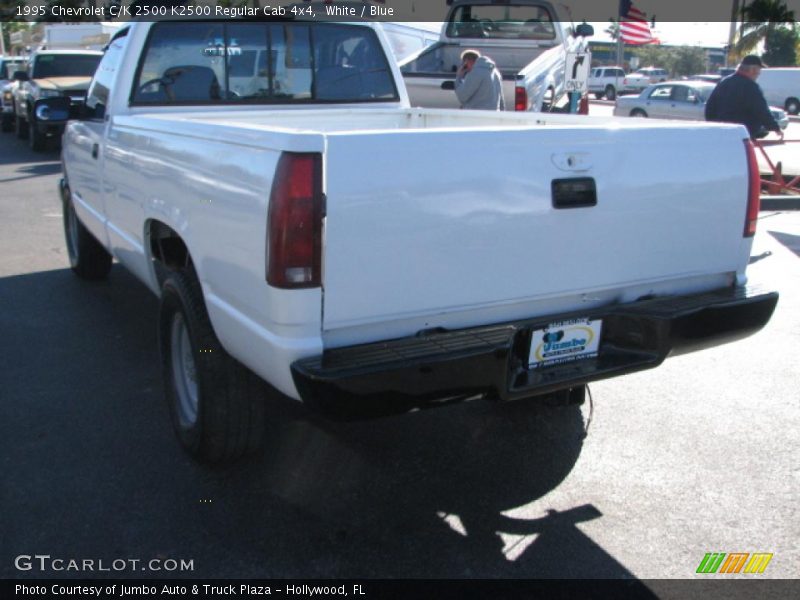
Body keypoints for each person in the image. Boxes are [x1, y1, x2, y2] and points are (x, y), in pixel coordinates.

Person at [705, 55, 784, 140]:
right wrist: (775, 128)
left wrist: (715, 127)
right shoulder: (750, 87)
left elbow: (709, 108)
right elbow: (761, 110)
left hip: (721, 134)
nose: (759, 73)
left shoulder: (724, 82)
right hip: (742, 136)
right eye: (758, 70)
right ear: (752, 70)